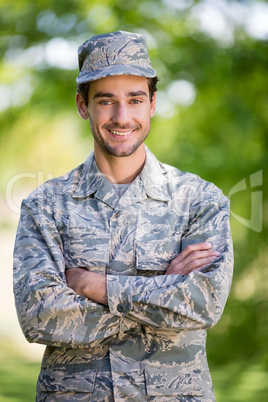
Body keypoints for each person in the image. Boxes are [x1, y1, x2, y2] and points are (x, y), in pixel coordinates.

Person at [13, 30, 233, 401]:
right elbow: (39, 316)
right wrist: (164, 291)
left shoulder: (199, 200)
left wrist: (95, 287)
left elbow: (202, 303)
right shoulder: (45, 205)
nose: (122, 116)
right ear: (83, 106)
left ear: (153, 103)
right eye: (106, 101)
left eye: (135, 99)